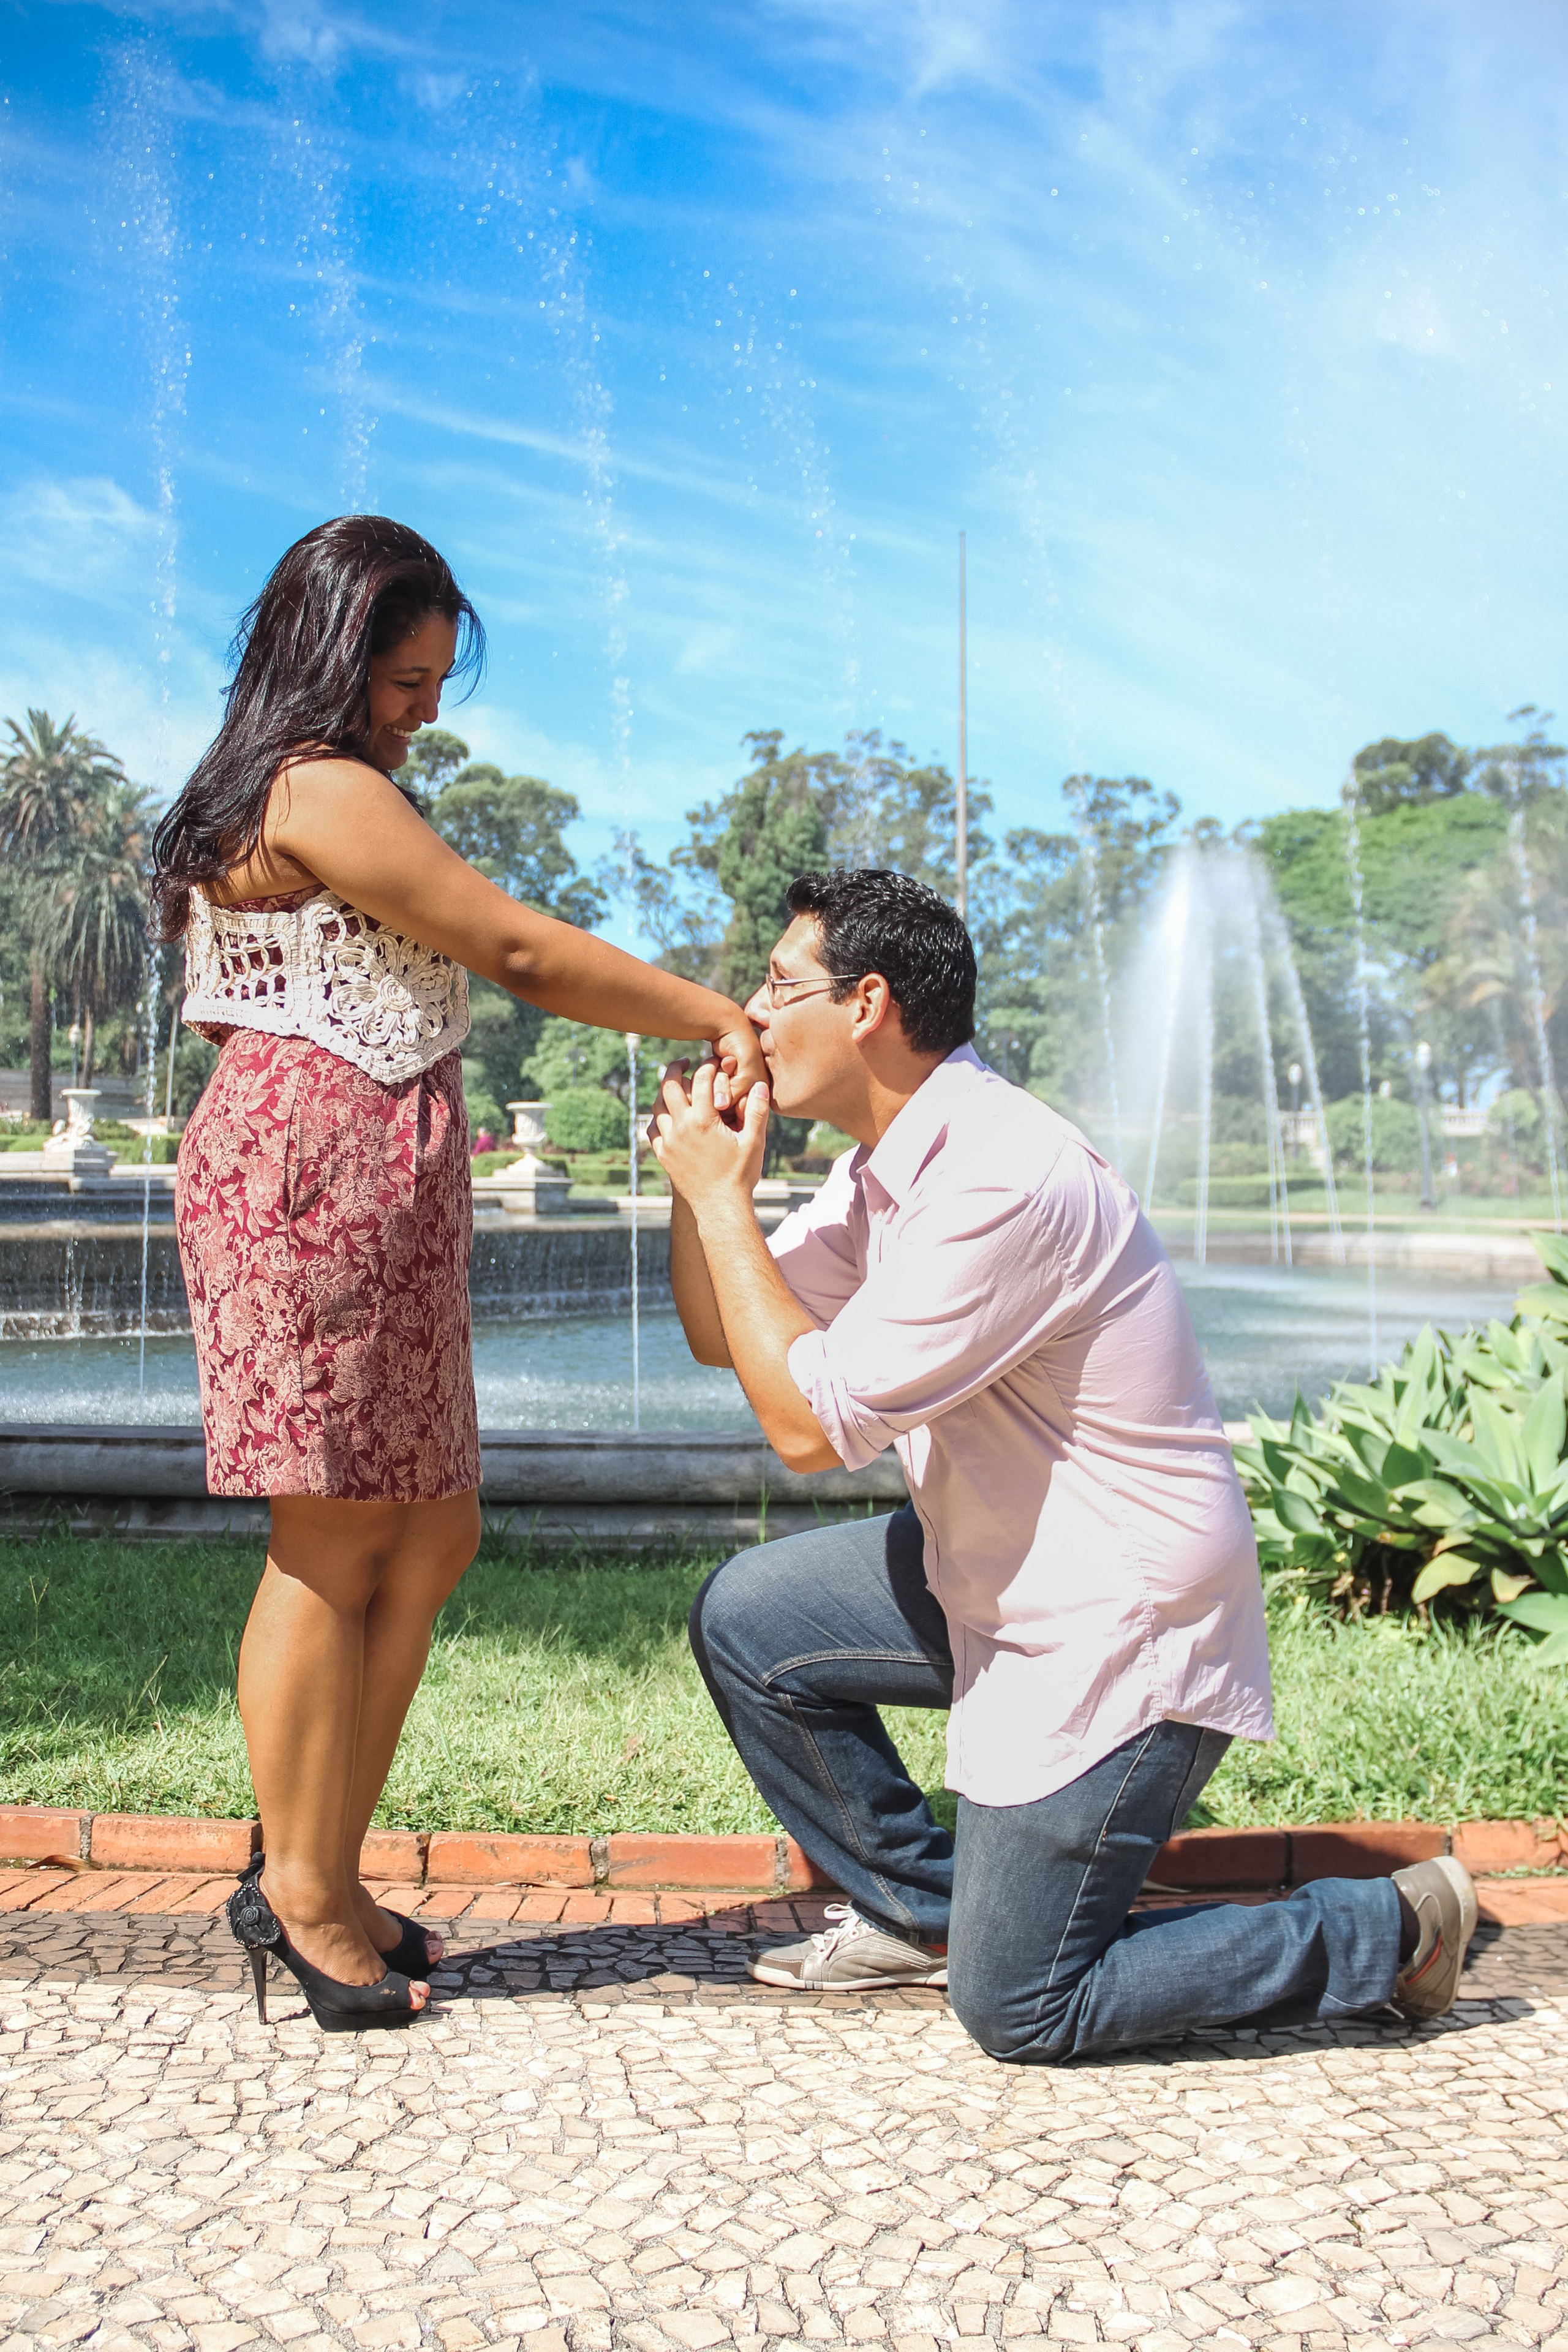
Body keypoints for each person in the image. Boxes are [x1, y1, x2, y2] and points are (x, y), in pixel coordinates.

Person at [650, 866, 1477, 2062]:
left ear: (867, 1004)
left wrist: (723, 1203)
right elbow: (716, 1332)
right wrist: (704, 1186)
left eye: (780, 988)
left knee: (1021, 2006)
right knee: (751, 1620)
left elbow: (806, 1431)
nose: (753, 1014)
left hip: (1114, 1623)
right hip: (993, 1570)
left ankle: (1387, 1928)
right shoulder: (883, 1168)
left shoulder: (1000, 1177)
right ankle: (917, 1914)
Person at [152, 514, 765, 2033]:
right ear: (331, 661)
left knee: (428, 1530)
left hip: (377, 1178)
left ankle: (321, 1860)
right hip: (311, 1176)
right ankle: (300, 1889)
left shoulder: (327, 784)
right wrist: (712, 1011)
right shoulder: (315, 787)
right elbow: (519, 952)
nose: (428, 709)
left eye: (435, 681)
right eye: (407, 680)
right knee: (329, 1532)